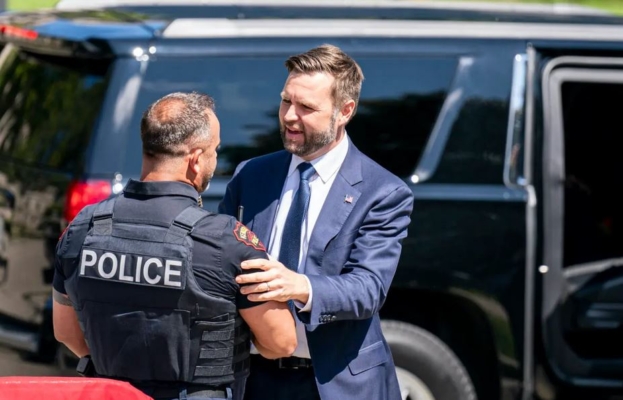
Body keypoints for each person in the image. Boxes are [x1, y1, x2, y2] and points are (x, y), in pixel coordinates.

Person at [52, 92, 297, 400]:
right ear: (195, 158)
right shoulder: (224, 240)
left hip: (110, 393)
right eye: (214, 150)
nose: (215, 159)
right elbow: (281, 342)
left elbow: (66, 333)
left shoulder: (83, 228)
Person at [218, 45, 414, 400]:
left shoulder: (382, 191)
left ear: (345, 111)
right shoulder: (252, 175)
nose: (290, 116)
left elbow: (369, 287)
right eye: (285, 102)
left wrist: (300, 286)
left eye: (307, 107)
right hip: (253, 378)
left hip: (336, 382)